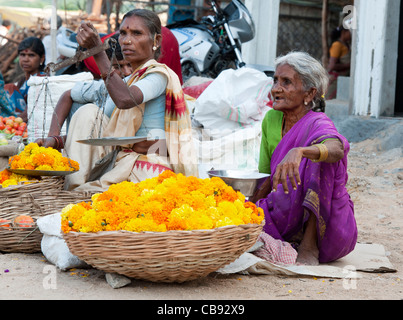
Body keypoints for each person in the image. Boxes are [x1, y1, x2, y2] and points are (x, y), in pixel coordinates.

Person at [40, 9, 198, 192]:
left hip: (146, 169)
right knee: (89, 112)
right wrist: (55, 140)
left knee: (89, 112)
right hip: (118, 165)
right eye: (123, 33)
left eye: (137, 33)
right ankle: (74, 189)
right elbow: (98, 133)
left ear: (156, 41)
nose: (127, 40)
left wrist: (97, 51)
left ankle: (75, 191)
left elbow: (125, 99)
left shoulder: (159, 76)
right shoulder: (123, 83)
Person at [250, 52, 357, 266]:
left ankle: (309, 245)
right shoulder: (271, 118)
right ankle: (289, 237)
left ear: (309, 93)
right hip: (284, 210)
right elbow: (266, 175)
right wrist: (248, 211)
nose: (276, 89)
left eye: (286, 82)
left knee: (322, 159)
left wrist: (301, 151)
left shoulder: (318, 122)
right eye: (275, 81)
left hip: (328, 226)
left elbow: (337, 148)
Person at [36, 32, 132, 141]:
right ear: (107, 66)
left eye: (129, 65)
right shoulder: (102, 87)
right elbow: (68, 95)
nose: (127, 72)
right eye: (118, 67)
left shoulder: (145, 84)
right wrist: (53, 137)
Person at [4, 37, 46, 122]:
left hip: (25, 123)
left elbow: (31, 112)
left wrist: (10, 123)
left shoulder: (41, 80)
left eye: (31, 55)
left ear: (42, 58)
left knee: (9, 87)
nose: (26, 60)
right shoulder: (23, 80)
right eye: (22, 55)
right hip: (14, 121)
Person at [326, 25, 351, 99]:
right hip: (335, 80)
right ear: (344, 32)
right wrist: (349, 65)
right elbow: (332, 66)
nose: (352, 34)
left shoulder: (346, 45)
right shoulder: (337, 45)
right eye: (350, 32)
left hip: (343, 79)